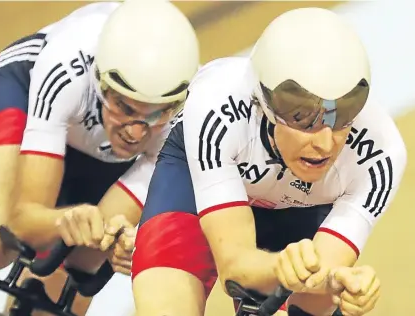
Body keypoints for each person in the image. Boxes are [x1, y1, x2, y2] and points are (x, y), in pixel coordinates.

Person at [130, 7, 407, 316]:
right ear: (264, 106)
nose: (326, 144)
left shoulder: (380, 153)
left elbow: (325, 270)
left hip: (301, 211)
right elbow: (234, 266)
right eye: (304, 119)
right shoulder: (217, 105)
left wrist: (338, 280)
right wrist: (279, 267)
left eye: (342, 118)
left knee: (316, 302)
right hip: (196, 188)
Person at [0, 1, 199, 315]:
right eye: (125, 107)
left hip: (96, 149)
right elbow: (20, 223)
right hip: (22, 94)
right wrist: (64, 220)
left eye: (156, 114)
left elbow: (86, 261)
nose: (136, 132)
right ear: (100, 83)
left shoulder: (183, 129)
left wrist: (114, 243)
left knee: (67, 286)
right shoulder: (67, 69)